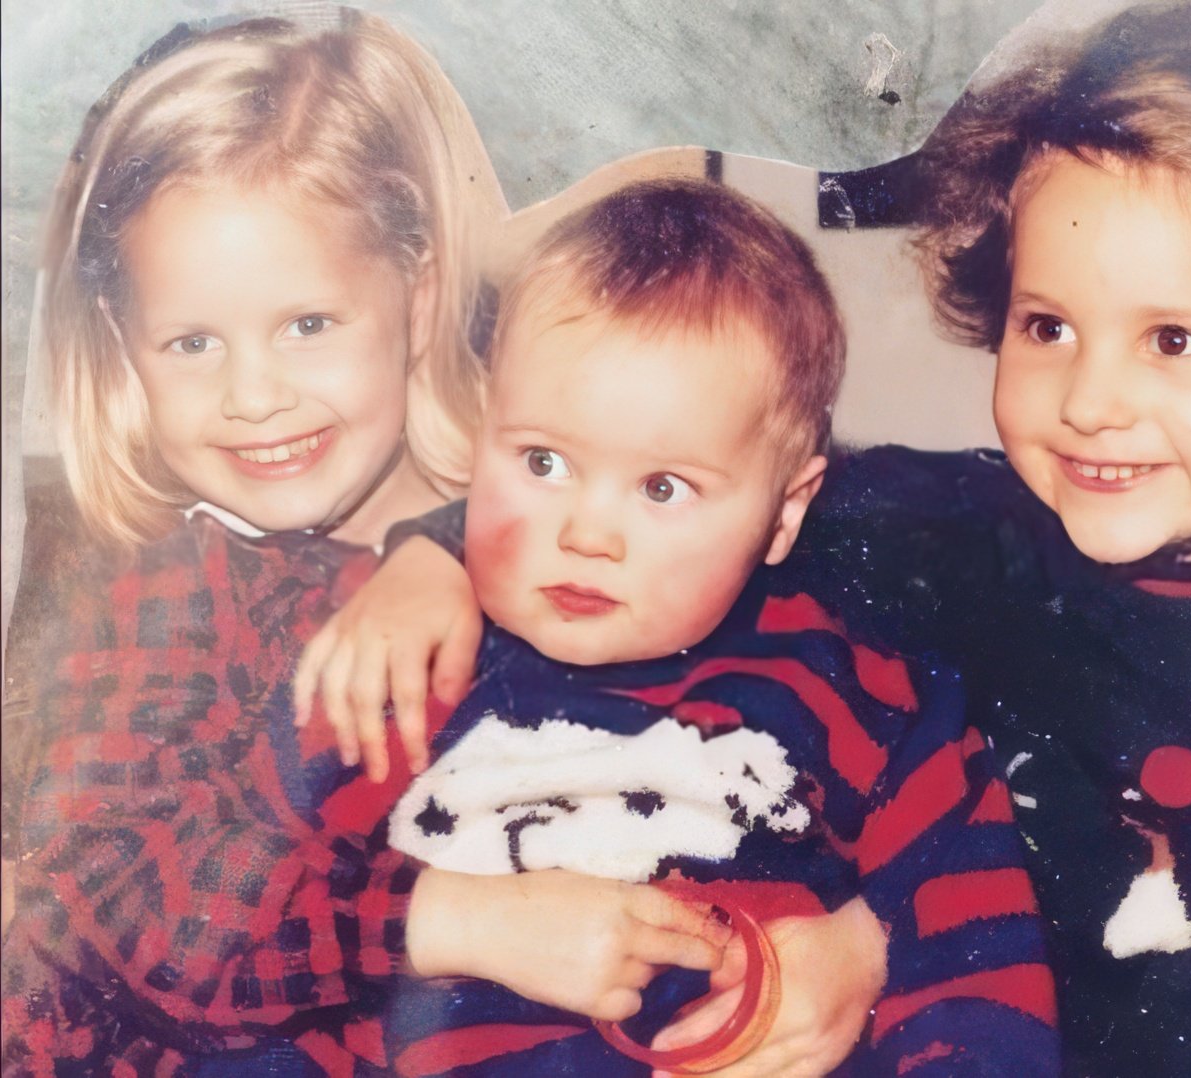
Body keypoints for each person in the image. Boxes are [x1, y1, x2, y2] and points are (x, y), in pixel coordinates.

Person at [305, 1, 1191, 1073]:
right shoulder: (948, 533)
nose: (1090, 399)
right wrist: (430, 554)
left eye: (1172, 341)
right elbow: (663, 499)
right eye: (1048, 324)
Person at [360, 178, 1059, 1074]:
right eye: (543, 461)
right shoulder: (406, 665)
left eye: (662, 488)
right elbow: (283, 935)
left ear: (784, 513)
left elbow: (974, 950)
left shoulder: (862, 691)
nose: (585, 533)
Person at [0, 13, 527, 1073]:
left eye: (307, 324)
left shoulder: (556, 532)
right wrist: (467, 921)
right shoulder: (158, 585)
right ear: (128, 357)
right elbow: (163, 935)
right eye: (193, 343)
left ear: (417, 300)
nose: (253, 396)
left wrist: (446, 544)